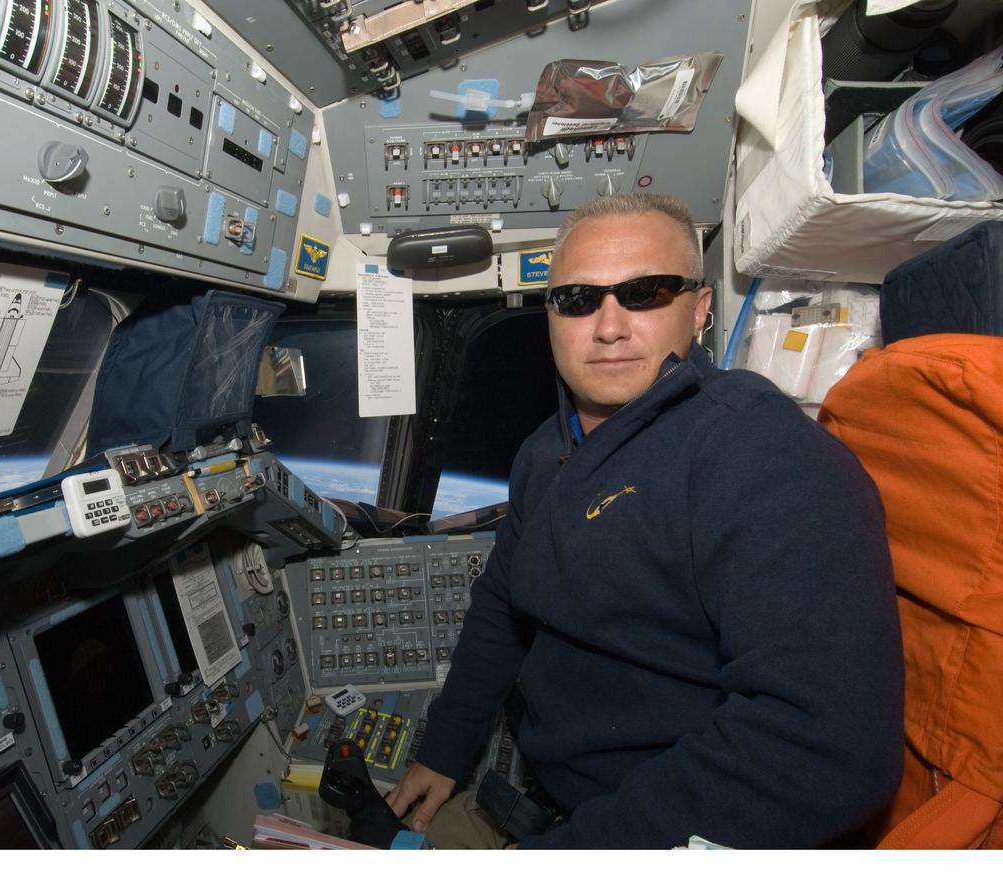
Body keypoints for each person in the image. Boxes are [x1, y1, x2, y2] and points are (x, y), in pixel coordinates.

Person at [385, 193, 905, 849]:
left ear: (701, 307)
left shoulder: (764, 458)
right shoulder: (547, 449)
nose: (608, 326)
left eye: (646, 293)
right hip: (541, 790)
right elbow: (501, 602)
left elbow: (828, 751)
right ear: (550, 315)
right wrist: (447, 746)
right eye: (578, 298)